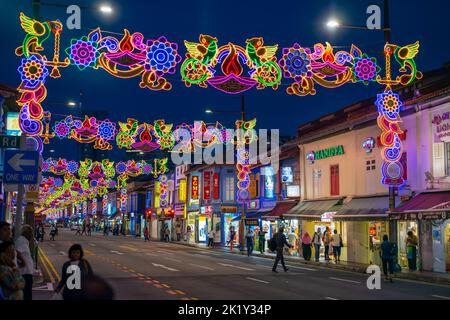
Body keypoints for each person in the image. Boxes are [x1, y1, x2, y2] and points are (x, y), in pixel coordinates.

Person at [15, 225, 34, 300]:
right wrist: (23, 262)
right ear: (26, 233)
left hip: (26, 273)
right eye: (30, 232)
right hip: (24, 274)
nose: (32, 235)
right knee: (27, 296)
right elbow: (17, 252)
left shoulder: (24, 241)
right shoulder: (21, 241)